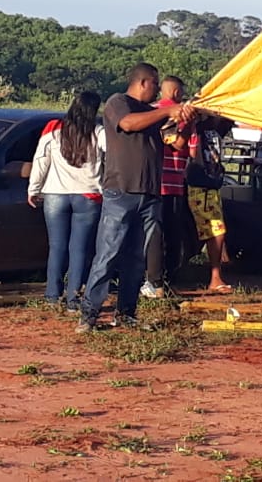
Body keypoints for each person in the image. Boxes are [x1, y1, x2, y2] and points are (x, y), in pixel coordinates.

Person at [77, 63, 193, 333]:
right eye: (155, 84)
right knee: (108, 254)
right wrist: (167, 111)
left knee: (137, 259)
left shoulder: (152, 114)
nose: (158, 90)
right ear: (143, 82)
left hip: (150, 194)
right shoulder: (118, 103)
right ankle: (89, 315)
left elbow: (177, 143)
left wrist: (187, 121)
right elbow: (128, 124)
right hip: (121, 191)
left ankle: (127, 313)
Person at [28, 91, 107, 313]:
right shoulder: (99, 132)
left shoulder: (53, 129)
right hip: (88, 195)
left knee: (56, 246)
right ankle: (74, 299)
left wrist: (33, 189)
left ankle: (52, 296)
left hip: (55, 194)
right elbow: (112, 157)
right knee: (79, 249)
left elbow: (40, 161)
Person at [141, 75, 194, 299]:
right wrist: (190, 124)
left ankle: (150, 278)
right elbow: (177, 144)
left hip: (152, 181)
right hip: (171, 183)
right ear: (176, 92)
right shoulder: (176, 114)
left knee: (153, 232)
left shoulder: (149, 112)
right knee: (170, 235)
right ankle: (165, 280)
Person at [186, 114, 234, 293]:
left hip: (212, 185)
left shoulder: (216, 128)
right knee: (216, 231)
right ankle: (215, 277)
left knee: (216, 231)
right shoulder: (199, 126)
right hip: (201, 185)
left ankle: (216, 276)